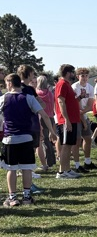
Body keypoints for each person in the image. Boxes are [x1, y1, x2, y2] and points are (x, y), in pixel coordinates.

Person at [0, 73, 56, 207]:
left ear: (9, 83)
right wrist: (52, 132)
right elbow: (44, 115)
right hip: (26, 138)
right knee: (26, 168)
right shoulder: (29, 98)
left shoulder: (3, 99)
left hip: (9, 139)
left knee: (11, 169)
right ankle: (26, 197)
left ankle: (12, 197)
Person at [54, 64, 82, 179]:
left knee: (69, 144)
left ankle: (67, 169)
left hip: (72, 119)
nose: (73, 74)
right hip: (66, 120)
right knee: (65, 145)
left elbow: (70, 101)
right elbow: (61, 102)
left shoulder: (67, 84)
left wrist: (79, 98)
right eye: (72, 72)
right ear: (67, 72)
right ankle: (61, 172)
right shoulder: (61, 84)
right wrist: (66, 119)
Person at [72, 68, 95, 172]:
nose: (85, 78)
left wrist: (83, 115)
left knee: (88, 138)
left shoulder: (90, 87)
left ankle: (87, 161)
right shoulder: (75, 87)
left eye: (86, 76)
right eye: (82, 76)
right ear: (78, 76)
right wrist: (82, 119)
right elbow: (76, 104)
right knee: (76, 141)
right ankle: (77, 165)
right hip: (75, 117)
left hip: (84, 114)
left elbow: (90, 105)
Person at [35, 75, 56, 171]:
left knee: (45, 140)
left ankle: (48, 161)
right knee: (51, 139)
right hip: (51, 117)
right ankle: (52, 160)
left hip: (42, 117)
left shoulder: (37, 94)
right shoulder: (50, 93)